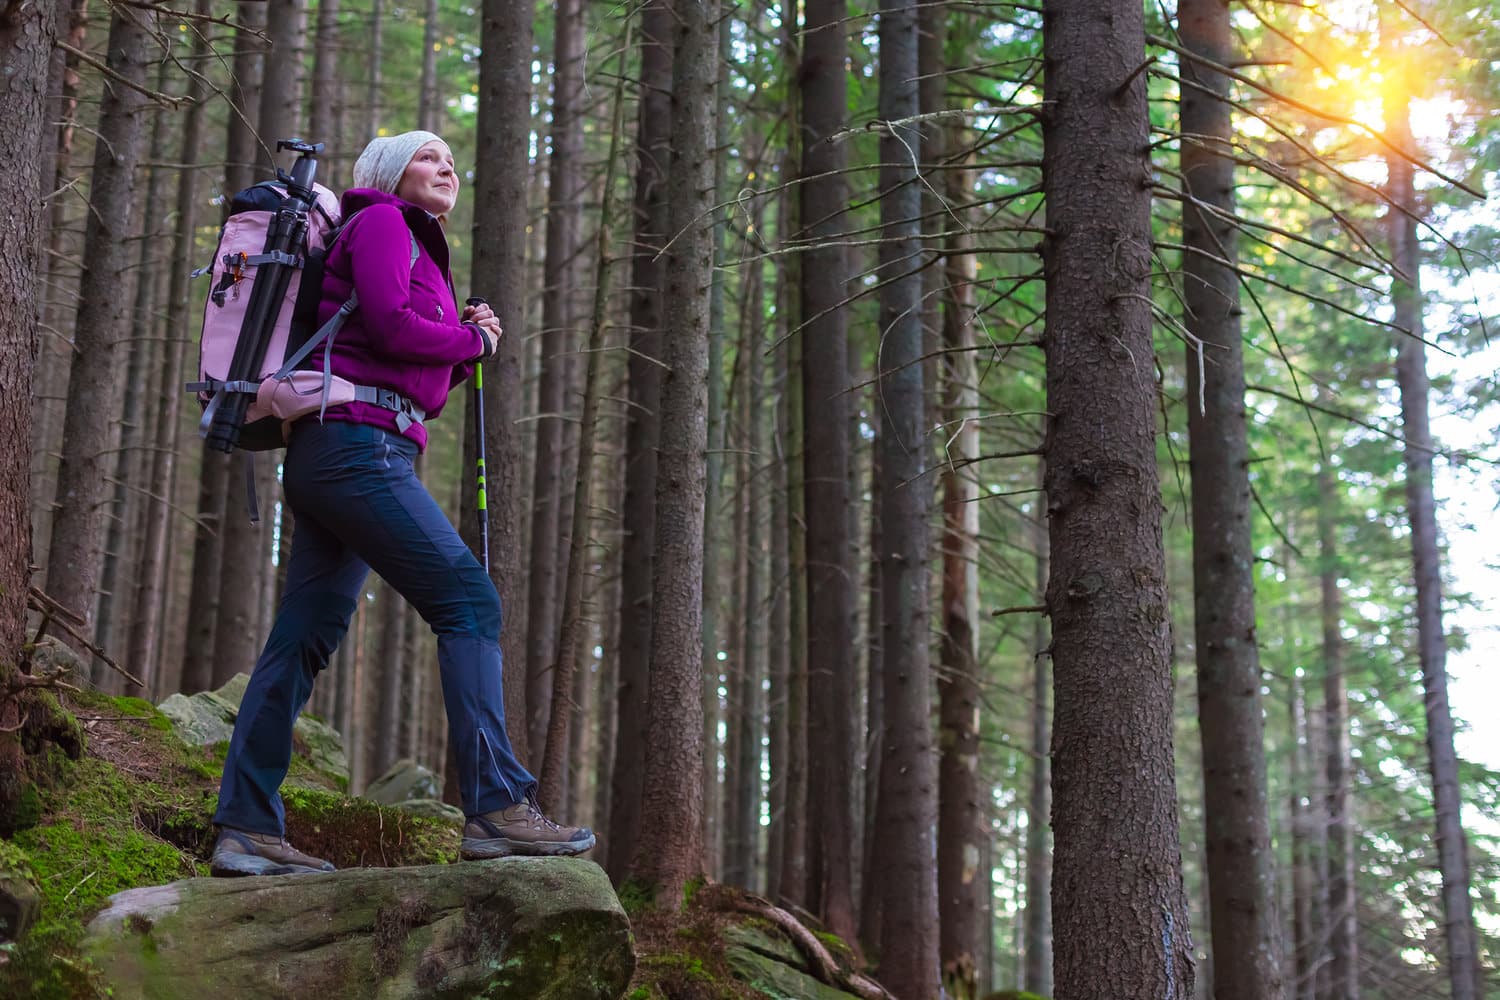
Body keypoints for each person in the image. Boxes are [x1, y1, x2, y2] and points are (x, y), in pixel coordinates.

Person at [209, 130, 594, 877]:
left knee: (304, 636)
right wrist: (467, 342)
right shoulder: (382, 221)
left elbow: (419, 385)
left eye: (453, 158)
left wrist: (462, 342)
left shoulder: (418, 248)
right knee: (469, 604)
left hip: (347, 448)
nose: (447, 166)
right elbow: (390, 326)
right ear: (389, 173)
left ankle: (245, 828)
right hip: (358, 453)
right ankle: (498, 808)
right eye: (429, 156)